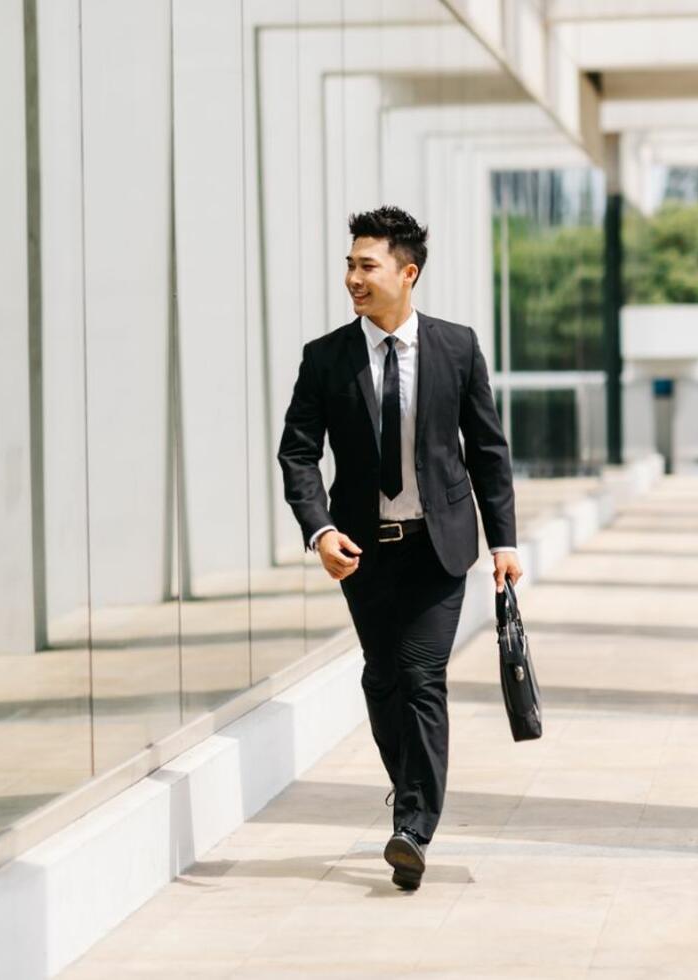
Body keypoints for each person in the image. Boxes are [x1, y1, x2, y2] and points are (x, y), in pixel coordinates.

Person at [278, 205, 522, 891]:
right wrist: (320, 530)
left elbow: (487, 450)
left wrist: (502, 539)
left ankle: (413, 824)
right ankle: (408, 797)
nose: (352, 277)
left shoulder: (455, 347)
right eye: (349, 265)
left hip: (436, 548)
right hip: (363, 551)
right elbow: (297, 454)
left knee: (420, 676)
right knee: (381, 677)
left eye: (366, 265)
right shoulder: (324, 358)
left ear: (406, 272)